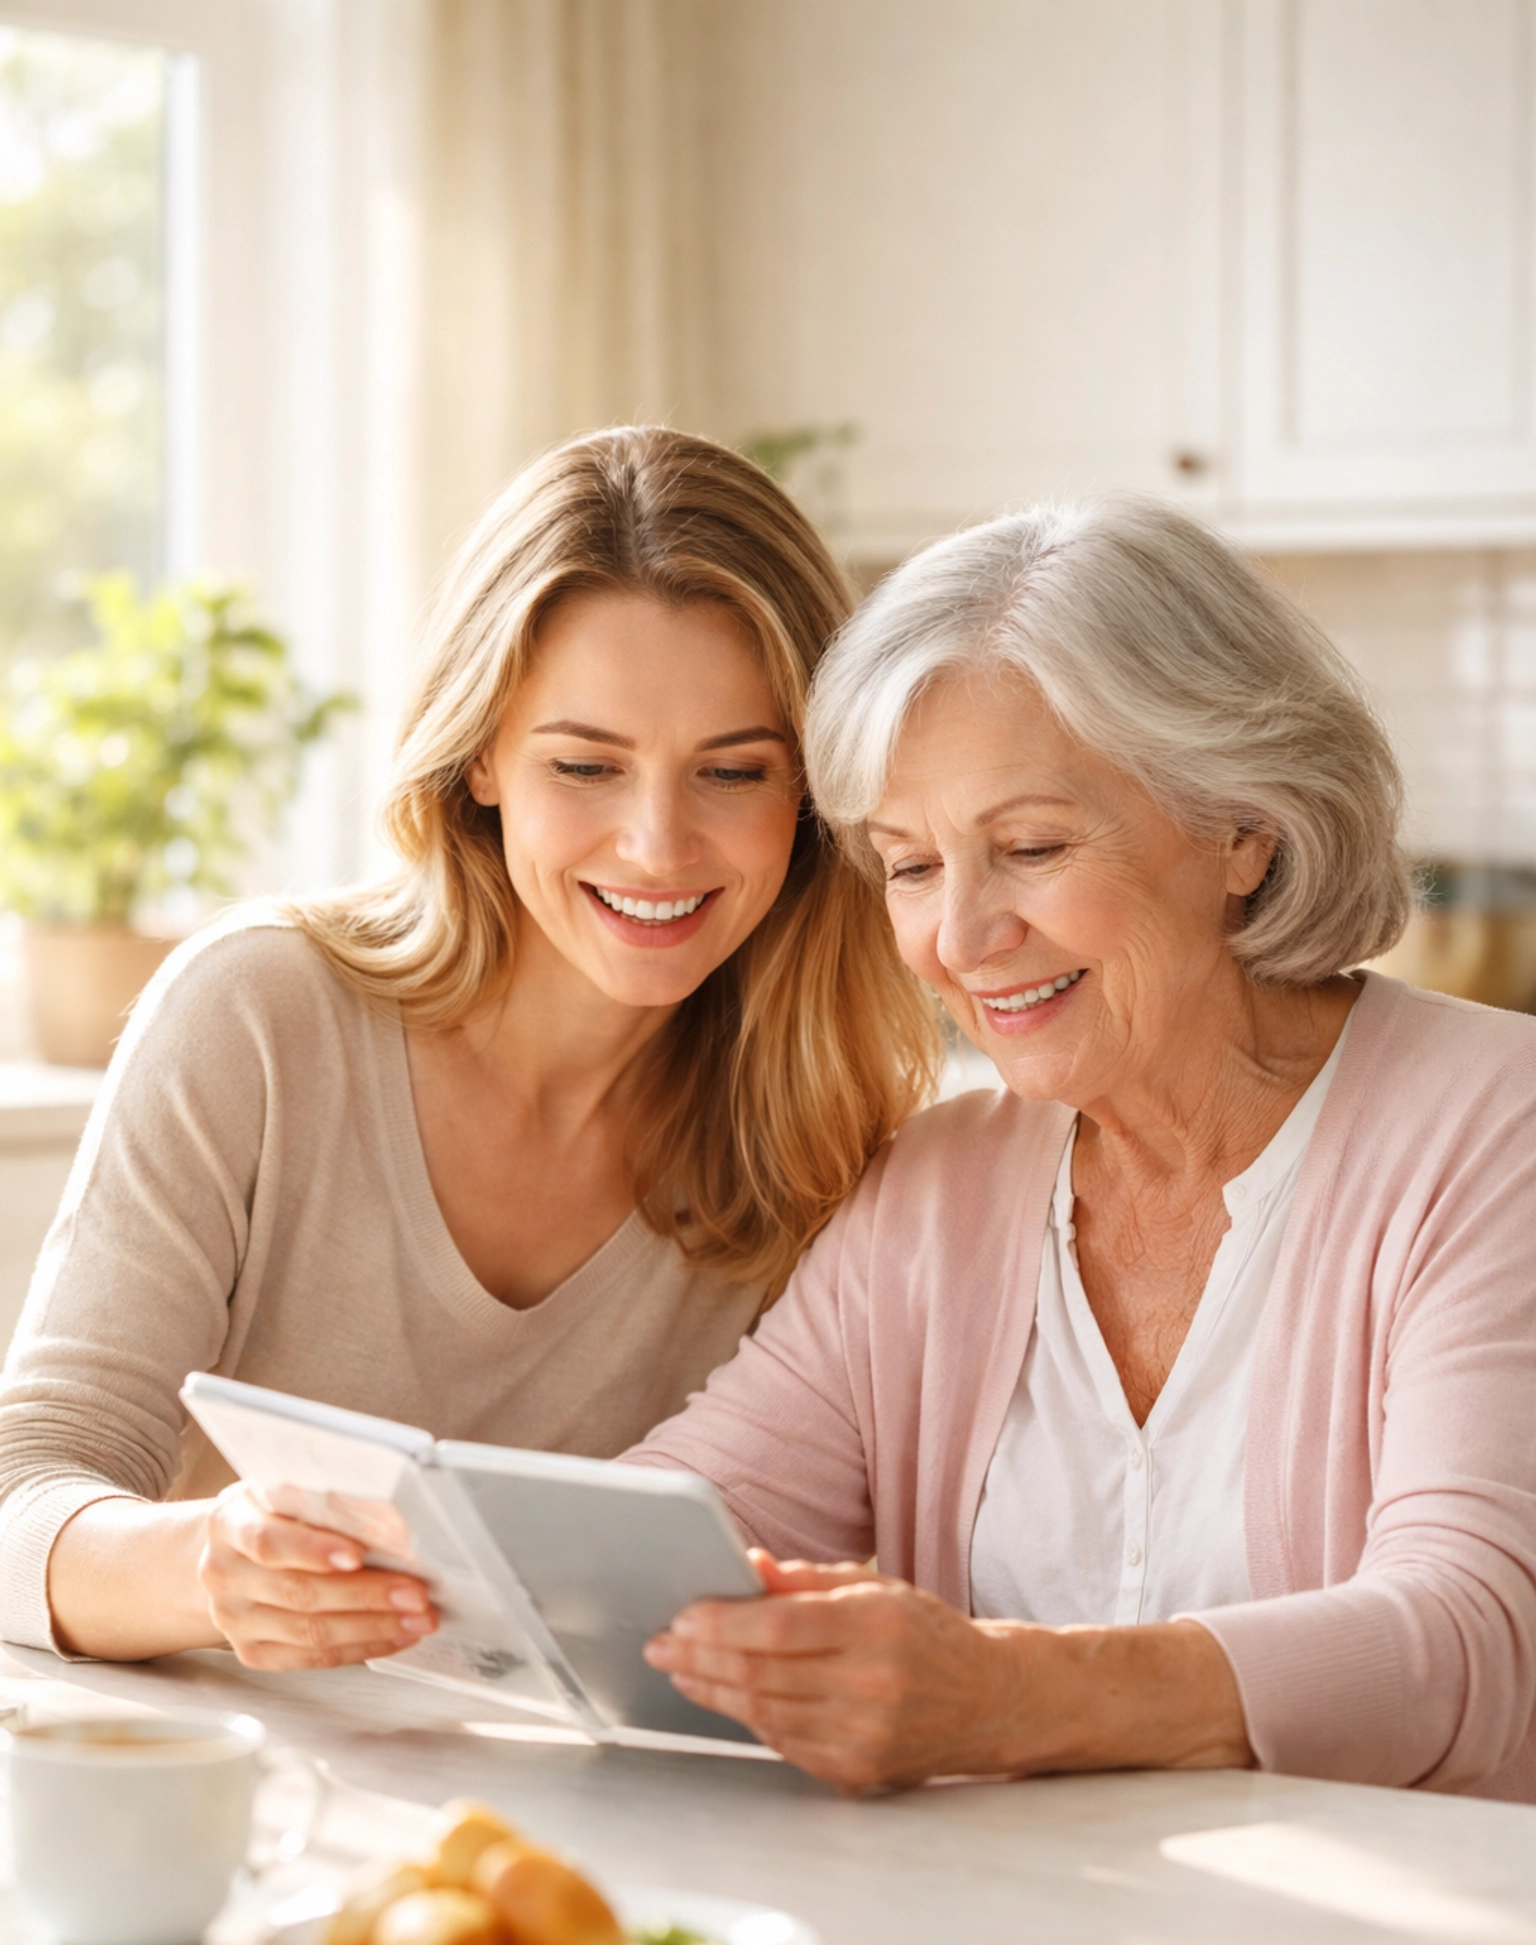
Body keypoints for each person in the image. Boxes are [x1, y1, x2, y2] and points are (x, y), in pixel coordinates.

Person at [634, 497, 1536, 1800]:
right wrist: (380, 1544)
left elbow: (1470, 1640)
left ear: (1243, 829)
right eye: (911, 866)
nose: (959, 936)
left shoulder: (1492, 1132)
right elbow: (683, 1515)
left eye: (1031, 848)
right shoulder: (941, 1189)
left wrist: (1005, 1698)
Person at [0, 427, 934, 1673]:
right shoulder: (260, 1019)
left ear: (809, 798)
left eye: (732, 771)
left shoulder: (815, 1136)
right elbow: (27, 1489)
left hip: (573, 1826)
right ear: (483, 753)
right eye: (586, 765)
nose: (658, 846)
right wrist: (205, 1567)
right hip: (238, 1801)